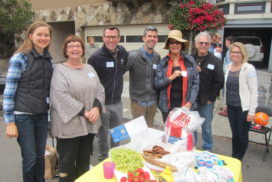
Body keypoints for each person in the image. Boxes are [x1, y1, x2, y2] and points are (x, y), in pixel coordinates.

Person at [3, 21, 53, 182]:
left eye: (46, 35)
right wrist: (10, 122)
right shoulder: (20, 58)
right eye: (39, 34)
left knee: (40, 157)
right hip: (23, 116)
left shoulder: (48, 60)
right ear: (31, 36)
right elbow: (9, 92)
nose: (43, 38)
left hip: (41, 115)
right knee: (30, 158)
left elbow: (47, 90)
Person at [50, 35, 105, 182]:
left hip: (89, 123)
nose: (75, 48)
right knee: (67, 166)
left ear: (82, 50)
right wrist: (85, 112)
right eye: (70, 46)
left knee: (84, 162)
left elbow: (100, 90)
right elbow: (59, 95)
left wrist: (96, 108)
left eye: (78, 46)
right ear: (65, 51)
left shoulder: (89, 68)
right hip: (68, 127)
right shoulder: (60, 70)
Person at [88, 26, 128, 161]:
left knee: (117, 135)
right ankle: (103, 161)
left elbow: (122, 70)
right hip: (102, 105)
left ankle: (116, 158)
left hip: (118, 103)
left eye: (114, 36)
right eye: (108, 36)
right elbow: (91, 84)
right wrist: (96, 105)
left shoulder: (122, 52)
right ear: (103, 37)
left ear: (119, 38)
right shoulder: (96, 57)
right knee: (103, 136)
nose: (111, 40)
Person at [222, 42, 258, 160]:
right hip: (231, 107)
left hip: (244, 109)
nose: (235, 54)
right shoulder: (228, 67)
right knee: (235, 134)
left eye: (238, 52)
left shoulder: (249, 68)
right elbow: (226, 89)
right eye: (233, 52)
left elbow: (254, 91)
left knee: (242, 135)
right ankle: (234, 156)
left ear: (243, 54)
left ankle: (239, 158)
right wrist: (225, 104)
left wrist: (252, 112)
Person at [154, 30, 199, 122]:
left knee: (182, 133)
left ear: (181, 45)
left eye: (177, 42)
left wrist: (190, 102)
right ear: (168, 45)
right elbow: (157, 84)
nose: (175, 45)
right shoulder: (163, 63)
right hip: (167, 106)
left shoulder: (190, 61)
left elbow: (196, 83)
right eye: (172, 42)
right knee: (169, 132)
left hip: (185, 105)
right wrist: (171, 77)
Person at [193, 31, 224, 151]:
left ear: (210, 44)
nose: (204, 45)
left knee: (206, 126)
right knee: (192, 126)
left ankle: (207, 148)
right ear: (196, 44)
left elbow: (219, 82)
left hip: (206, 101)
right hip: (192, 99)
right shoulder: (190, 58)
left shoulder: (215, 61)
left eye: (207, 43)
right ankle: (192, 146)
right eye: (201, 43)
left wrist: (211, 98)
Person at [125, 26, 160, 127]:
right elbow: (119, 71)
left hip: (152, 103)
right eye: (149, 36)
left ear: (157, 39)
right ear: (144, 38)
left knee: (149, 130)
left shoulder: (157, 57)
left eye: (155, 36)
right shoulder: (133, 56)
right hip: (138, 103)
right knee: (138, 133)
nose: (152, 39)